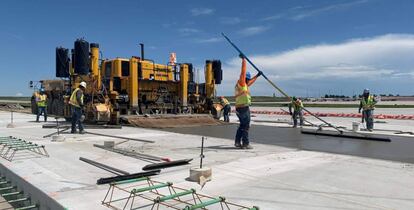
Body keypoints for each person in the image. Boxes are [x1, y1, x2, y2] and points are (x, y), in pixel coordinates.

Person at [234, 55, 262, 149]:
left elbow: (250, 82)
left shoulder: (243, 85)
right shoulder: (241, 83)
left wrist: (257, 76)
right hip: (243, 108)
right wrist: (244, 60)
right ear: (246, 78)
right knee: (246, 126)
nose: (249, 81)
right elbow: (243, 72)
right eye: (248, 79)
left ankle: (237, 142)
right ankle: (245, 143)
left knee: (242, 125)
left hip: (239, 108)